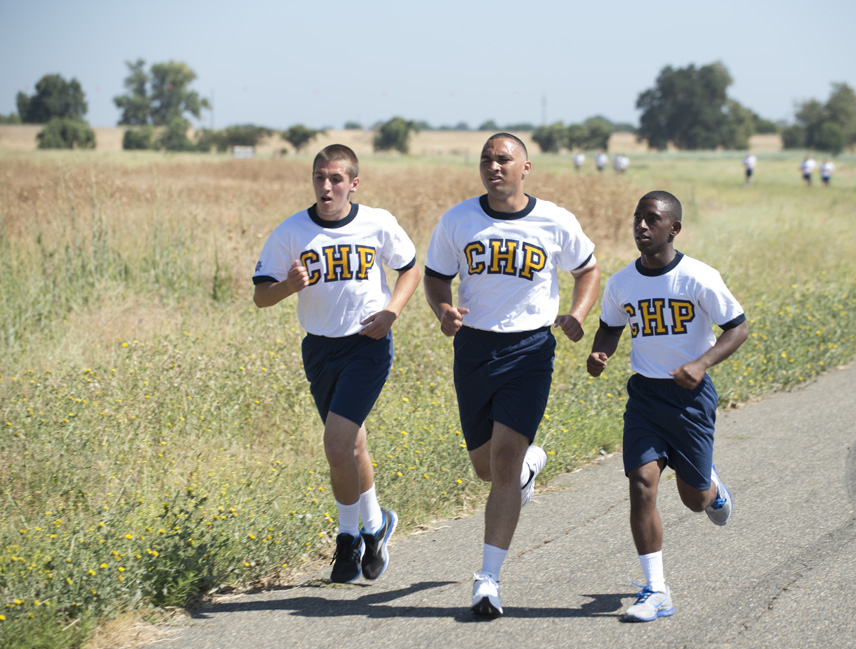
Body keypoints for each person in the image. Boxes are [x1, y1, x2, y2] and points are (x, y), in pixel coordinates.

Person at [424, 133, 600, 617]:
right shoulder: (458, 220)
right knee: (487, 469)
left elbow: (587, 270)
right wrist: (443, 308)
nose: (493, 167)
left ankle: (487, 580)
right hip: (474, 349)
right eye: (486, 160)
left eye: (503, 159)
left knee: (501, 462)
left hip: (530, 349)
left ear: (526, 167)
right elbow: (435, 274)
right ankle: (527, 468)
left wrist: (579, 314)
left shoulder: (555, 220)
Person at [252, 144, 420, 584]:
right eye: (319, 178)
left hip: (368, 344)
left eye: (335, 179)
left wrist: (392, 312)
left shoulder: (377, 223)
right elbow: (260, 295)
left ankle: (347, 540)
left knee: (336, 443)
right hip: (320, 350)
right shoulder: (291, 232)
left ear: (354, 183)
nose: (326, 187)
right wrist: (288, 286)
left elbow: (410, 269)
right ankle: (375, 525)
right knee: (352, 448)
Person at [586, 190, 748, 623]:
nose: (641, 226)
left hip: (691, 399)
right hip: (645, 397)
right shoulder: (622, 283)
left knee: (694, 500)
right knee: (641, 483)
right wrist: (600, 354)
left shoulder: (698, 277)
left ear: (673, 228)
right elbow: (609, 329)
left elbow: (738, 327)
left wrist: (702, 363)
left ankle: (712, 488)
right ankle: (656, 590)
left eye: (651, 219)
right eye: (637, 218)